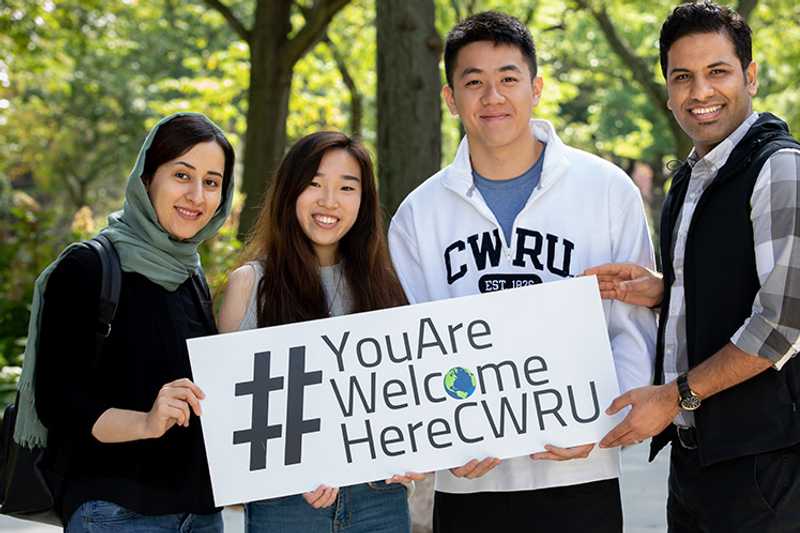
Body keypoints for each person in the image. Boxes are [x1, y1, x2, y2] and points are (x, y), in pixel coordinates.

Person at [387, 11, 657, 533]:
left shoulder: (605, 190)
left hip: (579, 470)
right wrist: (442, 435)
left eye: (508, 79)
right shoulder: (419, 215)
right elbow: (412, 346)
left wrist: (603, 423)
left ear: (535, 88)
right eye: (474, 82)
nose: (493, 97)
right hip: (469, 481)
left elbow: (631, 328)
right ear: (450, 98)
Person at [588, 1, 800, 531]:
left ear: (750, 76)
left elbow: (783, 322)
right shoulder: (691, 176)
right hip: (695, 462)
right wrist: (666, 290)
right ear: (667, 88)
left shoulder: (779, 169)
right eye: (683, 76)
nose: (700, 92)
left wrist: (673, 395)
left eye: (718, 72)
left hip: (765, 466)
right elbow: (742, 278)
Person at [14, 112, 236, 532]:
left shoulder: (192, 275)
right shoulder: (87, 267)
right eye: (182, 175)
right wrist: (145, 422)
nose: (196, 195)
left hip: (202, 513)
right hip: (117, 511)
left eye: (211, 182)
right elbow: (59, 403)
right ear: (147, 177)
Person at [218, 131, 418, 533]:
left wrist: (411, 454)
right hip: (286, 504)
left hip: (378, 499)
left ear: (363, 202)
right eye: (314, 184)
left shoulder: (387, 287)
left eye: (347, 187)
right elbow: (228, 410)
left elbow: (407, 394)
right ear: (290, 191)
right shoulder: (251, 285)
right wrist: (291, 472)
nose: (329, 201)